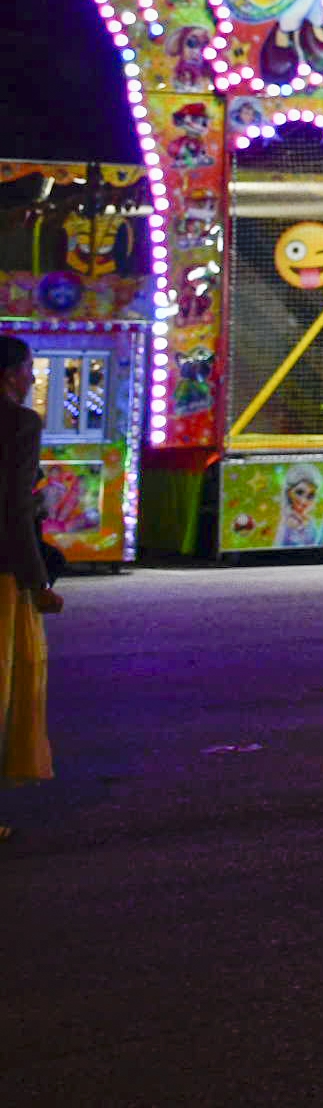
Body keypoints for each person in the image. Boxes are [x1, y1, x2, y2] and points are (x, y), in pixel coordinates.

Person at [2, 334, 64, 839]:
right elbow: (15, 510)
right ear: (10, 374)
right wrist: (37, 580)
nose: (31, 379)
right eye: (28, 370)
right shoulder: (19, 423)